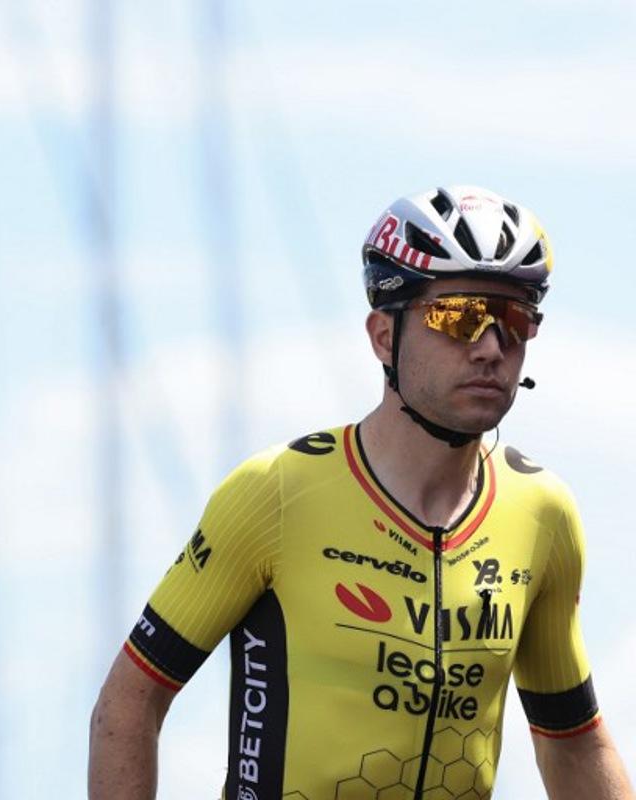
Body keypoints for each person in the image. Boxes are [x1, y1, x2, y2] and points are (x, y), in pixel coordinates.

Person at [87, 186, 635, 800]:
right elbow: (131, 703)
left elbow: (573, 741)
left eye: (513, 321)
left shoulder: (543, 513)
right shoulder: (277, 492)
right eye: (458, 315)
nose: (490, 346)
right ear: (383, 335)